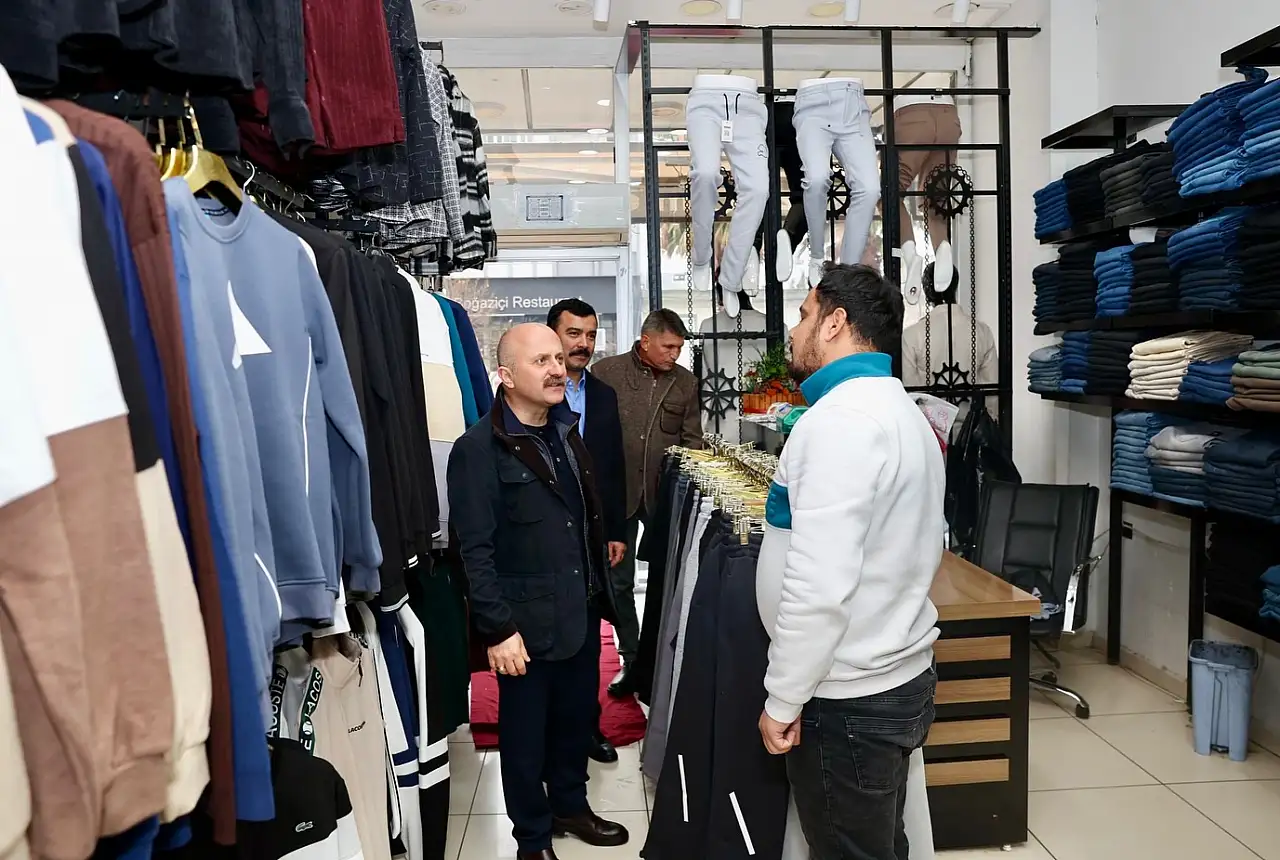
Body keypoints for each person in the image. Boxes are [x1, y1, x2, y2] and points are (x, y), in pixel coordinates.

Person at [756, 263, 945, 860]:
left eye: (805, 315)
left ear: (835, 323)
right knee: (878, 843)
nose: (795, 330)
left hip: (849, 698)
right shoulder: (900, 410)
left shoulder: (840, 422)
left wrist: (783, 698)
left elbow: (819, 584)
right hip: (890, 675)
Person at [447, 323, 627, 860]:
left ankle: (570, 805)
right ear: (505, 376)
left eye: (557, 358)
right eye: (540, 361)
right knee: (525, 738)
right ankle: (531, 837)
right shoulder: (478, 449)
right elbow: (473, 551)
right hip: (523, 628)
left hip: (579, 610)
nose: (556, 369)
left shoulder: (566, 432)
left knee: (575, 722)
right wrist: (498, 629)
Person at [591, 308, 704, 696]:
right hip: (616, 495)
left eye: (679, 347)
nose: (675, 354)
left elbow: (692, 442)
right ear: (645, 341)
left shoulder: (685, 383)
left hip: (663, 498)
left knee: (664, 581)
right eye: (668, 346)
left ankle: (659, 664)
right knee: (619, 582)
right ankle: (632, 659)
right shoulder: (607, 373)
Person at [546, 298, 628, 764]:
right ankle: (548, 729)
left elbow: (613, 467)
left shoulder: (604, 395)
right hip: (545, 533)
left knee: (589, 634)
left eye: (591, 335)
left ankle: (588, 727)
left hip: (593, 536)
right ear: (553, 335)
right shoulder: (532, 390)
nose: (583, 344)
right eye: (573, 333)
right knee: (549, 634)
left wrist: (615, 530)